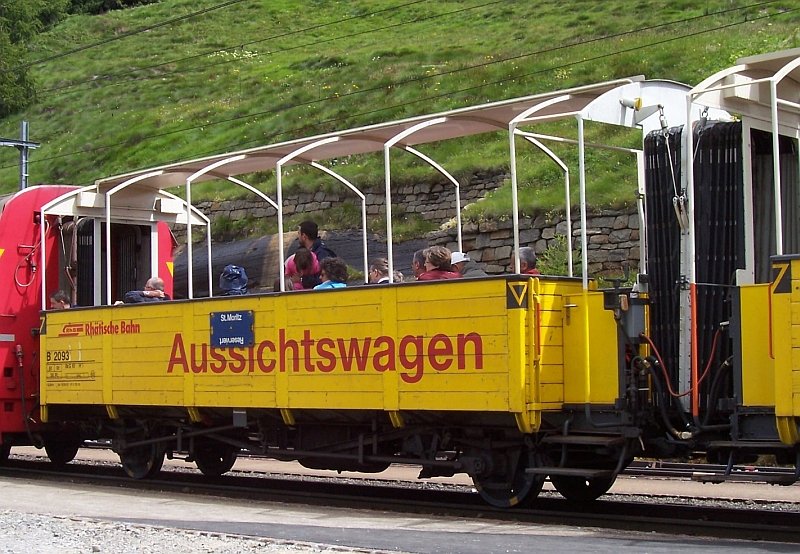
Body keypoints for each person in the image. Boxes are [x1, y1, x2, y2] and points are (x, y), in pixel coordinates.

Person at [296, 220, 336, 288]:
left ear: (304, 236)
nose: (298, 237)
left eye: (299, 233)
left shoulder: (323, 254)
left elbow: (324, 278)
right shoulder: (300, 252)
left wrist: (302, 279)